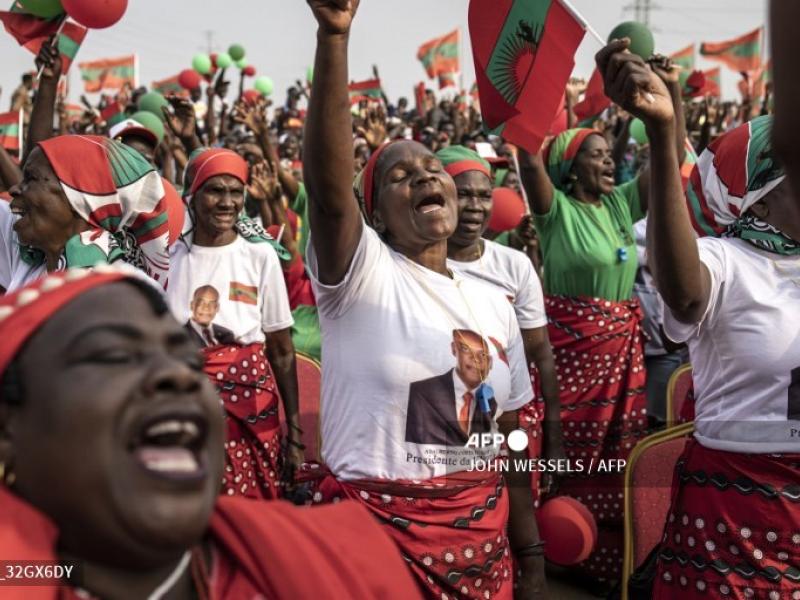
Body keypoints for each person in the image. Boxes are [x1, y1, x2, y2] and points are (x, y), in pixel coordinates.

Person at [302, 1, 545, 597]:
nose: (425, 177)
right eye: (399, 176)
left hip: (483, 549)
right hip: (374, 548)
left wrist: (531, 552)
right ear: (377, 214)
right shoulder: (361, 277)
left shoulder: (494, 305)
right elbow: (331, 196)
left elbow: (508, 435)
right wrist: (334, 36)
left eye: (432, 168)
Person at [0, 267, 422, 599]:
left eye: (189, 362)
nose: (176, 376)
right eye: (114, 354)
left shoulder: (344, 559)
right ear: (7, 427)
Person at [596, 38, 800, 599]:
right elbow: (684, 296)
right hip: (738, 524)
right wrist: (665, 135)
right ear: (756, 199)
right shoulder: (726, 260)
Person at [516, 58, 684, 585]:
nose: (608, 162)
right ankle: (558, 544)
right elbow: (527, 159)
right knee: (568, 451)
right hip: (570, 358)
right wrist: (527, 91)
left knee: (619, 453)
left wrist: (671, 97)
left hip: (623, 359)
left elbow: (668, 158)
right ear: (570, 167)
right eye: (595, 155)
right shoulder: (555, 210)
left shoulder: (619, 205)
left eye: (610, 155)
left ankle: (605, 556)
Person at [167, 147, 302, 501]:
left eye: (235, 192)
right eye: (215, 191)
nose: (227, 202)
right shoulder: (169, 259)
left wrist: (296, 435)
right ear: (192, 198)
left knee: (252, 513)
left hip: (251, 400)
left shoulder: (261, 256)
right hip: (183, 401)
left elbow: (283, 352)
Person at [438, 145, 564, 506]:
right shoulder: (414, 266)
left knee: (517, 511)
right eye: (463, 195)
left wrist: (554, 435)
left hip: (508, 416)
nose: (475, 206)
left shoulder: (515, 265)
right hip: (443, 420)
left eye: (483, 195)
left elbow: (538, 350)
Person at [0, 135, 169, 292]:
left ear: (78, 198)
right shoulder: (29, 259)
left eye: (31, 178)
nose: (14, 189)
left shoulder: (127, 291)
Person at [405, 329, 497, 445]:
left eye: (483, 354)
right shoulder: (421, 392)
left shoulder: (490, 401)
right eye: (466, 349)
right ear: (454, 349)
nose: (476, 359)